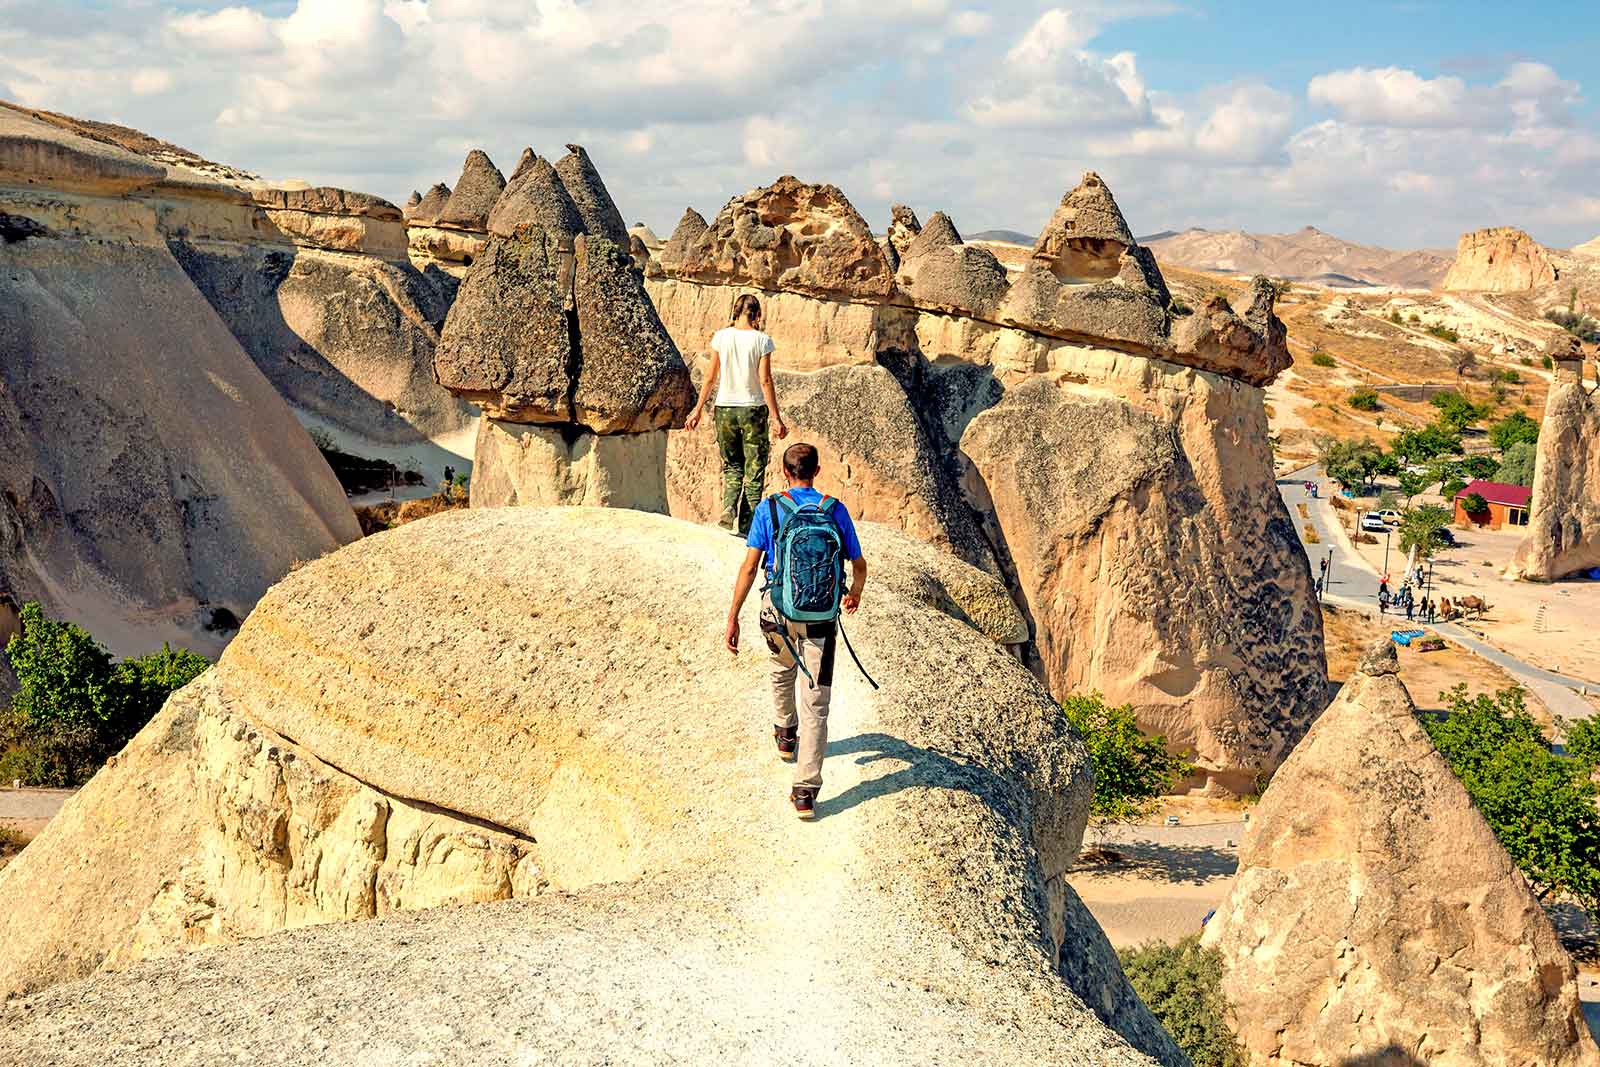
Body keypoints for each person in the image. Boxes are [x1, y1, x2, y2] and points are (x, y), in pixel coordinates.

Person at [724, 443, 867, 820]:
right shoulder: (834, 511)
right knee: (817, 704)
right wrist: (853, 593)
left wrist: (733, 615)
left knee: (781, 668)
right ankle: (805, 791)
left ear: (784, 472)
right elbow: (859, 565)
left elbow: (750, 568)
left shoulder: (769, 509)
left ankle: (786, 734)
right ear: (817, 470)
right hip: (820, 618)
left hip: (777, 613)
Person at [684, 294, 788, 536]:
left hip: (724, 408)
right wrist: (776, 418)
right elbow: (765, 380)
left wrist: (697, 409)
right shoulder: (762, 340)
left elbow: (710, 378)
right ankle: (746, 526)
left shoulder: (721, 337)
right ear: (757, 315)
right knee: (754, 468)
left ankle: (728, 507)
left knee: (732, 465)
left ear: (735, 312)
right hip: (753, 409)